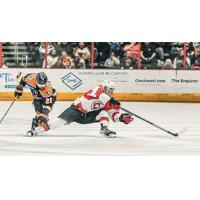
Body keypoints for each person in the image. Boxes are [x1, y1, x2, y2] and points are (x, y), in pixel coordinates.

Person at [28, 80, 134, 138]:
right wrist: (110, 99)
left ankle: (104, 129)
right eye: (110, 90)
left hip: (87, 116)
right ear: (105, 87)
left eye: (112, 91)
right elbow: (99, 95)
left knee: (103, 112)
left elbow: (113, 114)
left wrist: (122, 117)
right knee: (57, 122)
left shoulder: (108, 99)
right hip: (75, 110)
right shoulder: (98, 89)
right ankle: (35, 131)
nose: (111, 92)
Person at [14, 72, 57, 136]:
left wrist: (44, 114)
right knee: (38, 113)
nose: (41, 86)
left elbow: (48, 105)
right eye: (40, 84)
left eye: (43, 84)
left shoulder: (48, 91)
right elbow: (23, 79)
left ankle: (37, 125)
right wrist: (20, 87)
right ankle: (34, 127)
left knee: (42, 116)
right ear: (36, 80)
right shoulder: (30, 79)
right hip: (37, 98)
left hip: (49, 97)